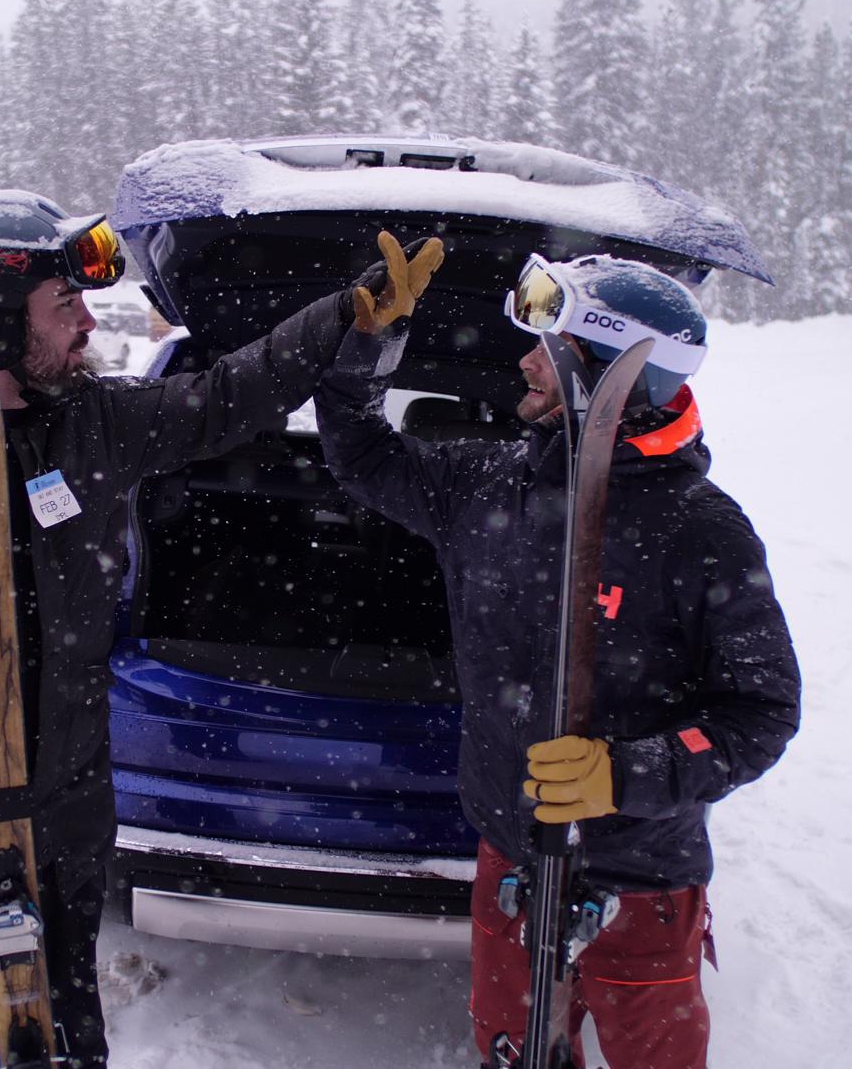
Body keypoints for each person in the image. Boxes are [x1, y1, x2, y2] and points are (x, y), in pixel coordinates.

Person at [0, 189, 439, 1069]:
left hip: (65, 824)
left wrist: (343, 314)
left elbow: (229, 393)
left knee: (68, 1045)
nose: (86, 320)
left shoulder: (90, 423)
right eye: (63, 302)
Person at [313, 252, 802, 1069]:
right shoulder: (488, 481)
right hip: (510, 858)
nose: (522, 361)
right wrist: (372, 343)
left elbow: (762, 712)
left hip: (641, 880)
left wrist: (629, 772)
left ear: (610, 370)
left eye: (549, 345)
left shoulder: (702, 531)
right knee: (513, 1056)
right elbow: (361, 455)